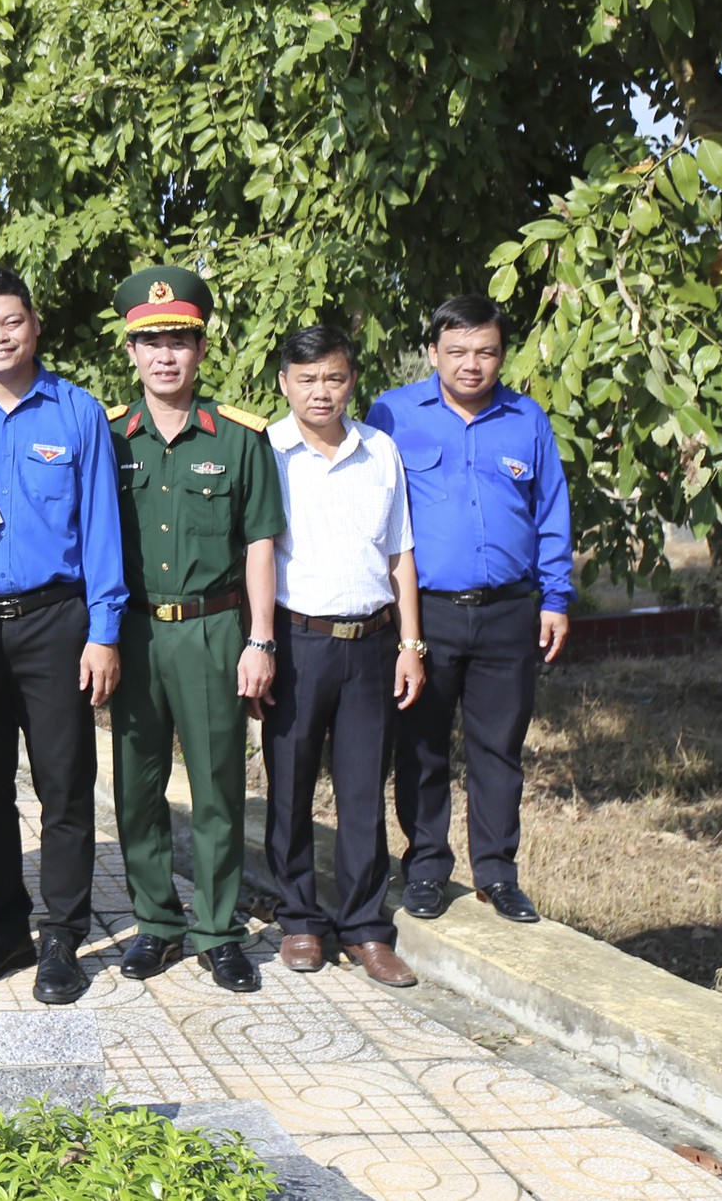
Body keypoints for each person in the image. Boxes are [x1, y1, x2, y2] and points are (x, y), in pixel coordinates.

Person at [0, 267, 126, 1004]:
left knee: (65, 786)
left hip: (57, 621)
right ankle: (4, 928)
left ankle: (63, 936)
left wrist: (103, 630)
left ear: (34, 324)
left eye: (11, 322)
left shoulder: (77, 412)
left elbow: (103, 526)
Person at [367, 294, 572, 925]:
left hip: (510, 612)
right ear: (433, 353)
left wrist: (556, 597)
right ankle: (426, 867)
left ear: (502, 354)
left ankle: (498, 872)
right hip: (425, 612)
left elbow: (551, 513)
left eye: (485, 352)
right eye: (456, 352)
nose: (471, 365)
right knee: (422, 743)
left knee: (499, 746)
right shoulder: (394, 414)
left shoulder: (527, 419)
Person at [106, 265, 284, 994]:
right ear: (131, 353)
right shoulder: (111, 437)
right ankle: (157, 921)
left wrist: (261, 639)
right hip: (135, 632)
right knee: (136, 785)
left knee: (216, 784)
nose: (166, 356)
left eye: (180, 340)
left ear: (202, 349)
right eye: (151, 343)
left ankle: (216, 928)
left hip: (214, 629)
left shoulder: (241, 439)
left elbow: (261, 544)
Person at [261, 325, 424, 988]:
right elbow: (255, 554)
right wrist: (261, 642)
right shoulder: (265, 450)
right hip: (296, 641)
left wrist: (411, 643)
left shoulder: (380, 449)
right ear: (284, 383)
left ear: (351, 379)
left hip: (371, 643)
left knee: (362, 792)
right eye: (307, 379)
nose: (321, 391)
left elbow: (401, 552)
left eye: (333, 377)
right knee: (290, 784)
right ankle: (299, 917)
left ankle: (364, 927)